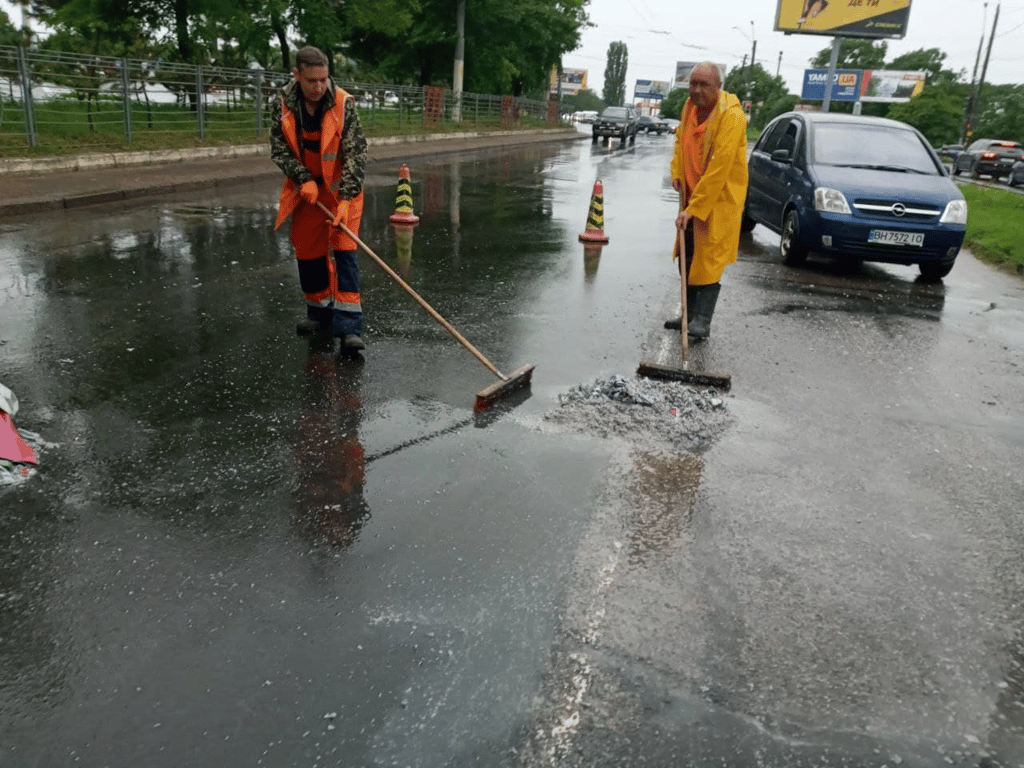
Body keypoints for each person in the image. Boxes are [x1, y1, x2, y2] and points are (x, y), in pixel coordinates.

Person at [270, 45, 369, 351]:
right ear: (296, 75)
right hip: (308, 193)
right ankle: (320, 313)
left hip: (342, 191)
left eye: (323, 79)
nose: (319, 86)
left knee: (344, 252)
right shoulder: (283, 104)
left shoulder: (342, 104)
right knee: (309, 253)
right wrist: (303, 179)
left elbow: (357, 154)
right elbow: (279, 150)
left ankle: (350, 328)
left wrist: (344, 201)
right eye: (311, 80)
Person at [664, 62, 748, 339]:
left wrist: (696, 208)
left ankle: (702, 321)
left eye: (704, 85)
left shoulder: (731, 116)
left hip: (717, 199)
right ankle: (686, 314)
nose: (697, 90)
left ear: (718, 87)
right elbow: (680, 144)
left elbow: (719, 167)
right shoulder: (689, 108)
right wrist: (677, 173)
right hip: (690, 195)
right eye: (693, 83)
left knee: (708, 258)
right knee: (687, 256)